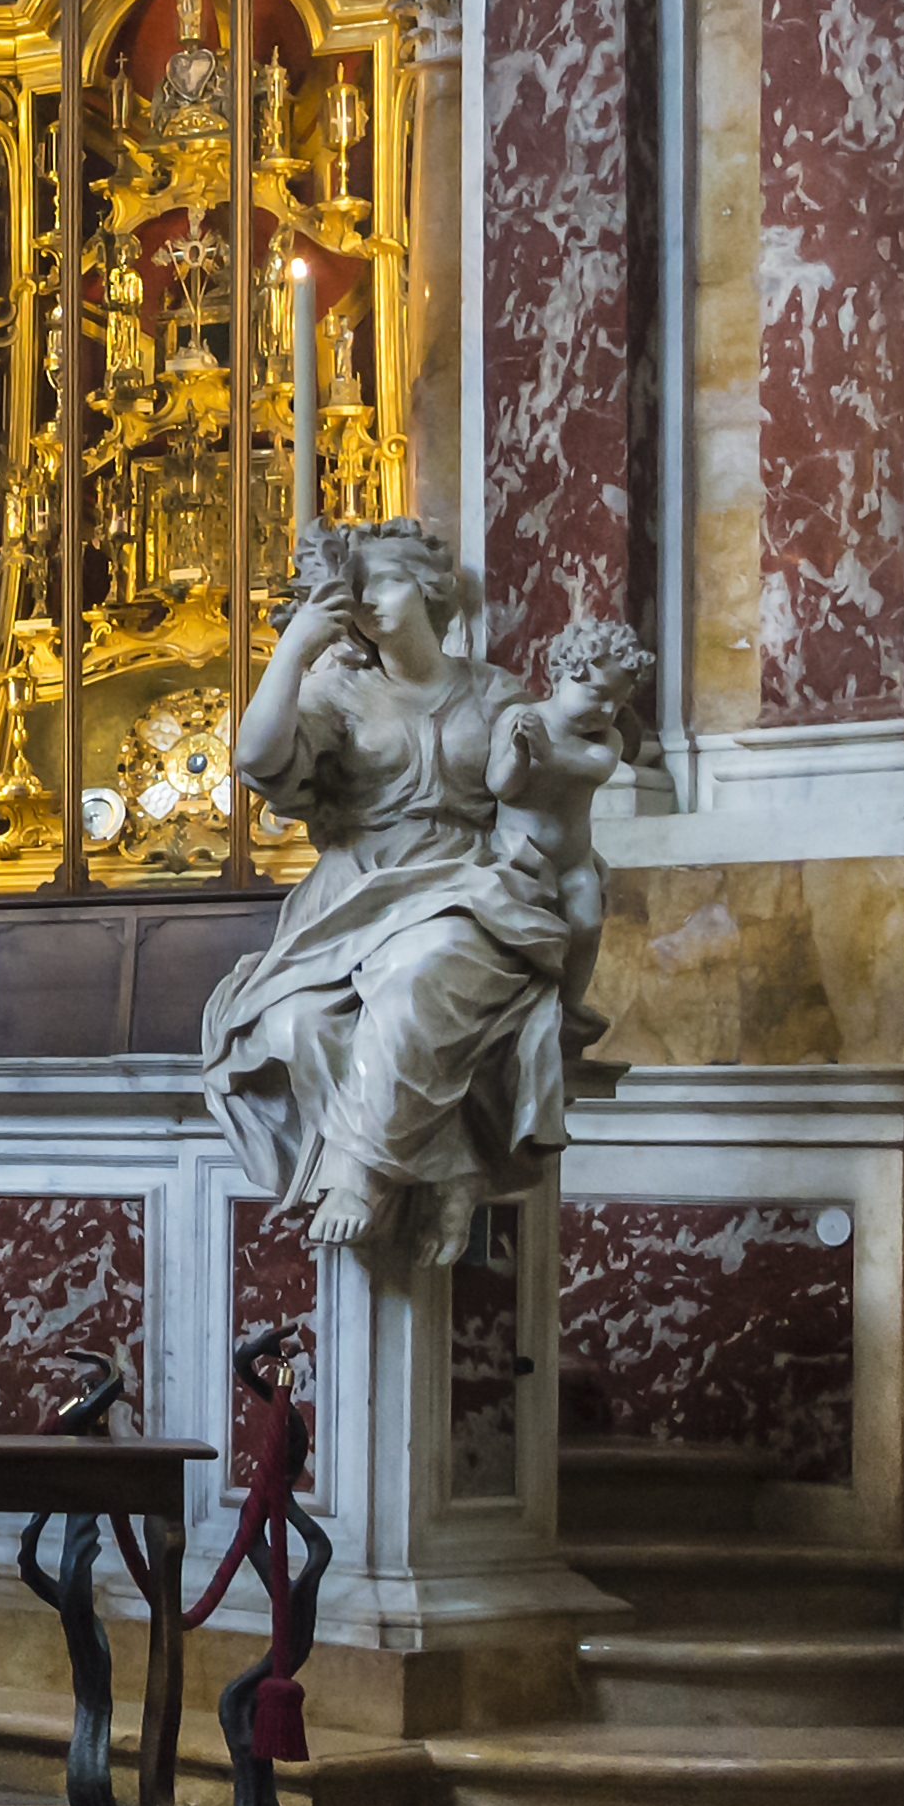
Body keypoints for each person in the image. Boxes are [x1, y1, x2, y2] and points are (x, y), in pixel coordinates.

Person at [201, 518, 631, 1268]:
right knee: (298, 1022)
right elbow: (256, 758)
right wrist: (297, 647)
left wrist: (572, 868)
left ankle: (360, 1173)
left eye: (384, 582)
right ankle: (451, 1172)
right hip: (352, 898)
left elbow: (554, 788)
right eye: (355, 589)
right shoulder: (336, 690)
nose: (366, 601)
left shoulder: (493, 691)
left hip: (470, 888)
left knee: (421, 970)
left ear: (432, 592)